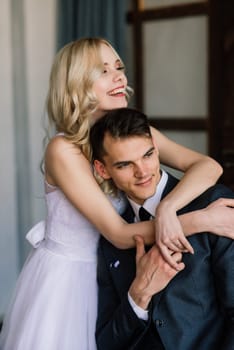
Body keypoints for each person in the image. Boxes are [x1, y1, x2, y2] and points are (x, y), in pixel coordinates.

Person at [0, 38, 231, 350]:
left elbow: (208, 166)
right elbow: (119, 234)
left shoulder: (128, 132)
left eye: (119, 67)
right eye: (103, 71)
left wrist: (168, 209)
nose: (119, 76)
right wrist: (202, 220)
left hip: (108, 268)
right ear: (76, 85)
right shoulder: (63, 149)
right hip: (69, 279)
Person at [90, 107, 234, 350]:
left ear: (157, 149)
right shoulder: (111, 239)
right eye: (125, 165)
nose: (143, 172)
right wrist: (139, 295)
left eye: (147, 155)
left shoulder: (215, 207)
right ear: (103, 170)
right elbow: (106, 342)